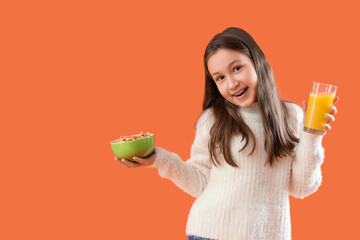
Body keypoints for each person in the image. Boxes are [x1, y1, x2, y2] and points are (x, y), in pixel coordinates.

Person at [115, 27, 339, 240]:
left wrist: (313, 134)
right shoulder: (213, 120)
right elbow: (200, 182)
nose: (231, 83)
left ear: (257, 62)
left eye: (236, 68)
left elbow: (302, 187)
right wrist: (159, 159)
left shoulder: (292, 115)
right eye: (220, 77)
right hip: (210, 233)